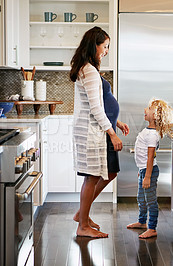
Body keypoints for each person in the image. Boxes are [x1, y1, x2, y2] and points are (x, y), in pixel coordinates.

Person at [70, 26, 124, 238]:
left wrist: (116, 123)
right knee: (92, 177)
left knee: (109, 172)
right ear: (95, 45)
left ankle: (82, 215)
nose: (107, 50)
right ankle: (83, 225)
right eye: (105, 46)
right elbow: (95, 107)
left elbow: (100, 103)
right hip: (94, 132)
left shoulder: (88, 68)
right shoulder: (89, 70)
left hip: (100, 128)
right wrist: (112, 133)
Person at [127, 98, 173, 239]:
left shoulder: (153, 135)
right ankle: (142, 222)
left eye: (148, 108)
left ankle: (152, 228)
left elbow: (150, 157)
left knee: (150, 200)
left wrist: (147, 176)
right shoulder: (148, 131)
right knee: (141, 198)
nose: (145, 110)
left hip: (149, 171)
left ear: (155, 115)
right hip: (143, 171)